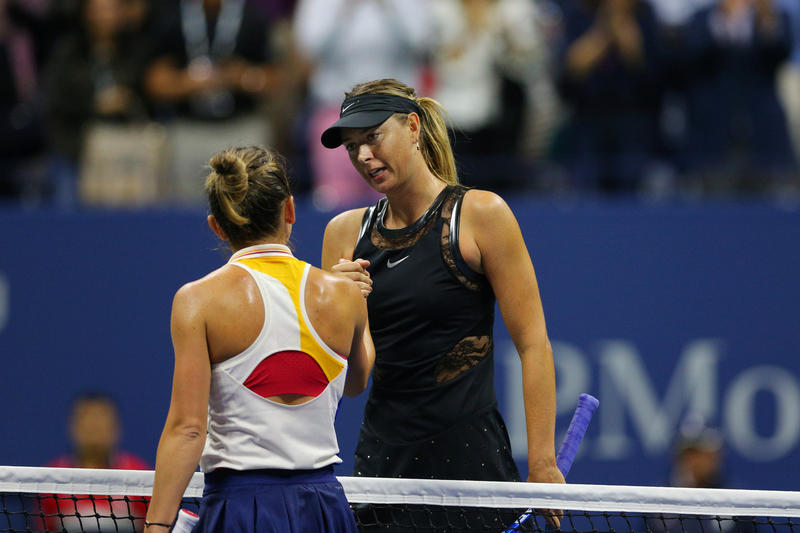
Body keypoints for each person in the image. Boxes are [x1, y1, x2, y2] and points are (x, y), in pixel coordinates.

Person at [319, 78, 563, 529]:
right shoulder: (342, 235)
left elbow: (533, 343)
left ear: (412, 127)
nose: (363, 156)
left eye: (372, 137)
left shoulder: (482, 215)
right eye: (352, 147)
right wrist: (341, 308)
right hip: (383, 467)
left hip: (473, 462)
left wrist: (543, 462)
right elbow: (350, 384)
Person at [144, 146, 374, 532]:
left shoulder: (197, 301)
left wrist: (156, 527)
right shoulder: (344, 294)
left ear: (217, 226)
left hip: (240, 508)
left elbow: (188, 428)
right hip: (324, 509)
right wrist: (358, 303)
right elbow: (356, 383)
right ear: (290, 211)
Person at [41, 392, 150, 532]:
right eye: (86, 420)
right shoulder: (51, 480)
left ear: (116, 428)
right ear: (72, 427)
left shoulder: (138, 475)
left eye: (101, 419)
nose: (94, 427)